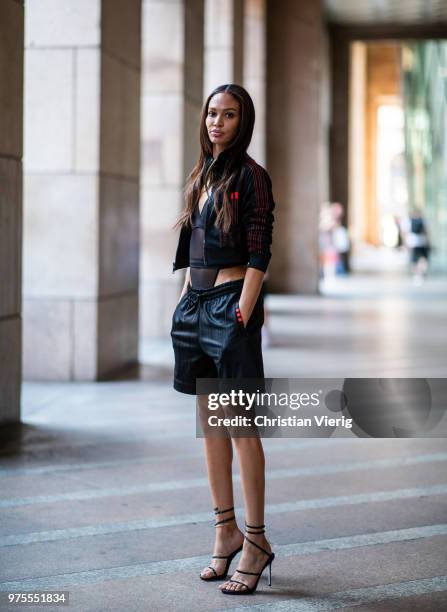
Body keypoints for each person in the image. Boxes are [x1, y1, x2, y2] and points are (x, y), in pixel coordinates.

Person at [170, 84, 276, 595]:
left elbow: (259, 251)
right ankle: (225, 529)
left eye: (228, 115)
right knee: (211, 426)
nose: (217, 122)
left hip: (230, 306)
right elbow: (192, 247)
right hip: (194, 308)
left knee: (240, 429)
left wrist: (242, 313)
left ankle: (256, 540)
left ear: (243, 122)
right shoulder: (202, 175)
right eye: (212, 112)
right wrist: (183, 301)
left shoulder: (251, 177)